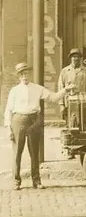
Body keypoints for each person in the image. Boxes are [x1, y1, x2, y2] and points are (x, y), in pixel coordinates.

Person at [3, 62, 76, 191]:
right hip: (18, 120)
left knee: (35, 152)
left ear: (30, 74)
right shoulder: (14, 91)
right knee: (17, 152)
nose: (25, 76)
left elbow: (53, 98)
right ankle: (16, 180)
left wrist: (66, 90)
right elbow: (8, 110)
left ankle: (36, 180)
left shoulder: (37, 88)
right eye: (22, 74)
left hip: (34, 120)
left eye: (26, 73)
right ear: (19, 76)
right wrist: (8, 127)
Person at [58, 48, 86, 126]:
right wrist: (61, 105)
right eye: (73, 57)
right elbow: (60, 88)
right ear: (70, 58)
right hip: (68, 102)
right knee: (70, 123)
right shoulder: (65, 71)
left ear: (80, 58)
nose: (76, 59)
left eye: (78, 57)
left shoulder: (85, 71)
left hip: (82, 102)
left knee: (82, 123)